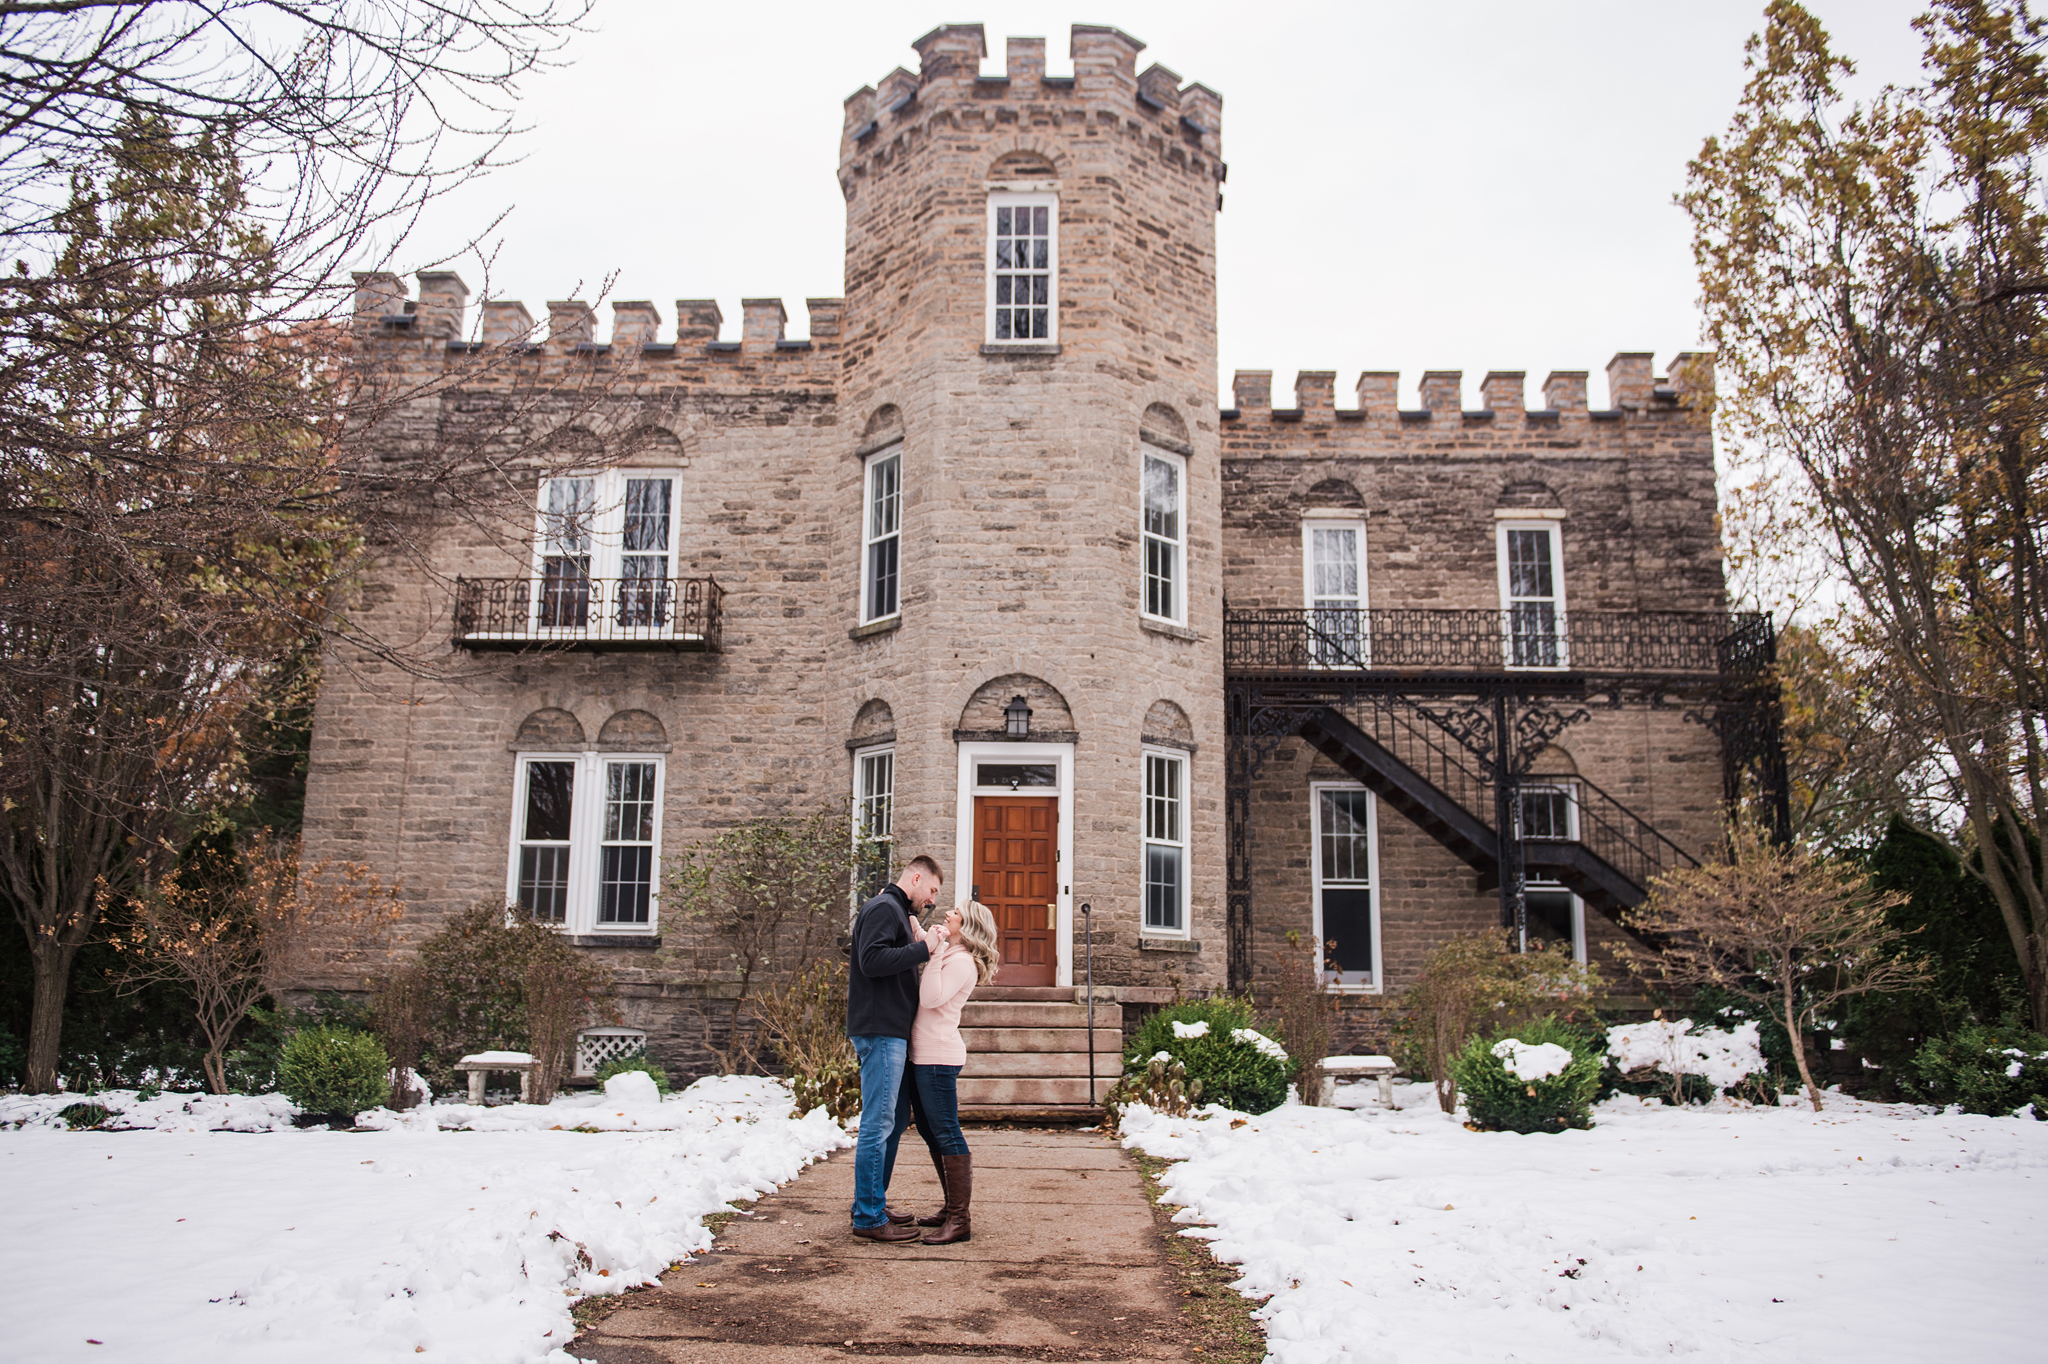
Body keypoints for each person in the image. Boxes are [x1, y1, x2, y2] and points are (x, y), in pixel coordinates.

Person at [845, 853, 944, 1241]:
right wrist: (925, 949)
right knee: (879, 1122)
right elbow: (872, 961)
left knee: (894, 1120)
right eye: (932, 889)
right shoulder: (885, 907)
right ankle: (868, 1219)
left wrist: (919, 940)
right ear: (916, 878)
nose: (932, 899)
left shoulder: (897, 912)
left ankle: (871, 1202)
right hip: (879, 1029)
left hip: (891, 1030)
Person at [907, 898, 1000, 1245]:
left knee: (946, 1132)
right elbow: (921, 936)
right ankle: (950, 1208)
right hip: (924, 1054)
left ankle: (960, 1219)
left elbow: (931, 999)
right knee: (932, 1134)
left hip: (938, 1057)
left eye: (956, 912)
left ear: (969, 924)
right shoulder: (949, 952)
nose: (949, 912)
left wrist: (933, 953)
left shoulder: (961, 961)